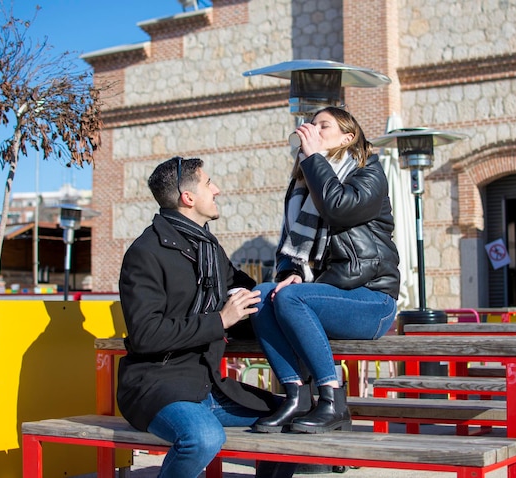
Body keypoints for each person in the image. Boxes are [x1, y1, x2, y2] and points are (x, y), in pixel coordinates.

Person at [117, 156, 296, 478]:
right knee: (204, 438)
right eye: (209, 182)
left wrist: (285, 291)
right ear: (188, 198)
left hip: (208, 386)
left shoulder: (207, 248)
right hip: (156, 387)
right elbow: (145, 335)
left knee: (295, 418)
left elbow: (244, 290)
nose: (218, 189)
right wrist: (221, 321)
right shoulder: (145, 253)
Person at [250, 106, 401, 434]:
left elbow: (338, 207)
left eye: (324, 125)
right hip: (323, 295)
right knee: (261, 295)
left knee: (291, 299)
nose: (313, 130)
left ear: (347, 137)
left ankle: (332, 401)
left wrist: (314, 157)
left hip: (371, 300)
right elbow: (290, 244)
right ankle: (296, 396)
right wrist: (290, 271)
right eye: (311, 124)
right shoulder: (303, 184)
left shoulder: (369, 172)